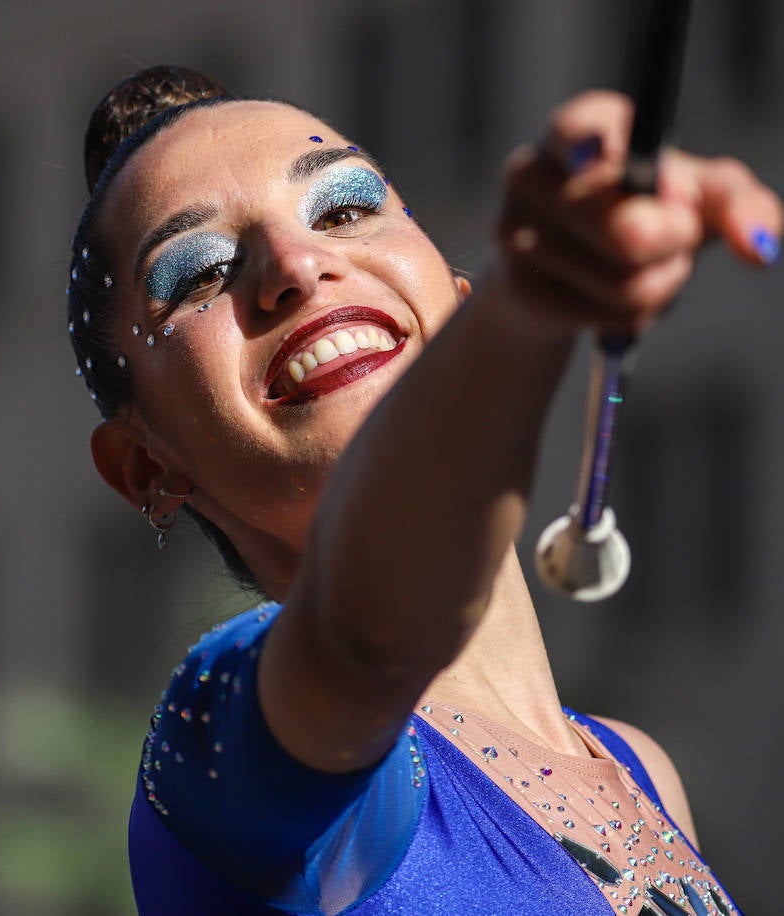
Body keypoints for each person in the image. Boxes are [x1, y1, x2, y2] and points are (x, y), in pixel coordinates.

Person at [65, 66, 781, 914]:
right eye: (201, 272)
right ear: (144, 466)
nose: (297, 263)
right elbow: (365, 641)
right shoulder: (218, 748)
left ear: (453, 296)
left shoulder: (638, 769)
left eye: (344, 208)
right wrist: (528, 311)